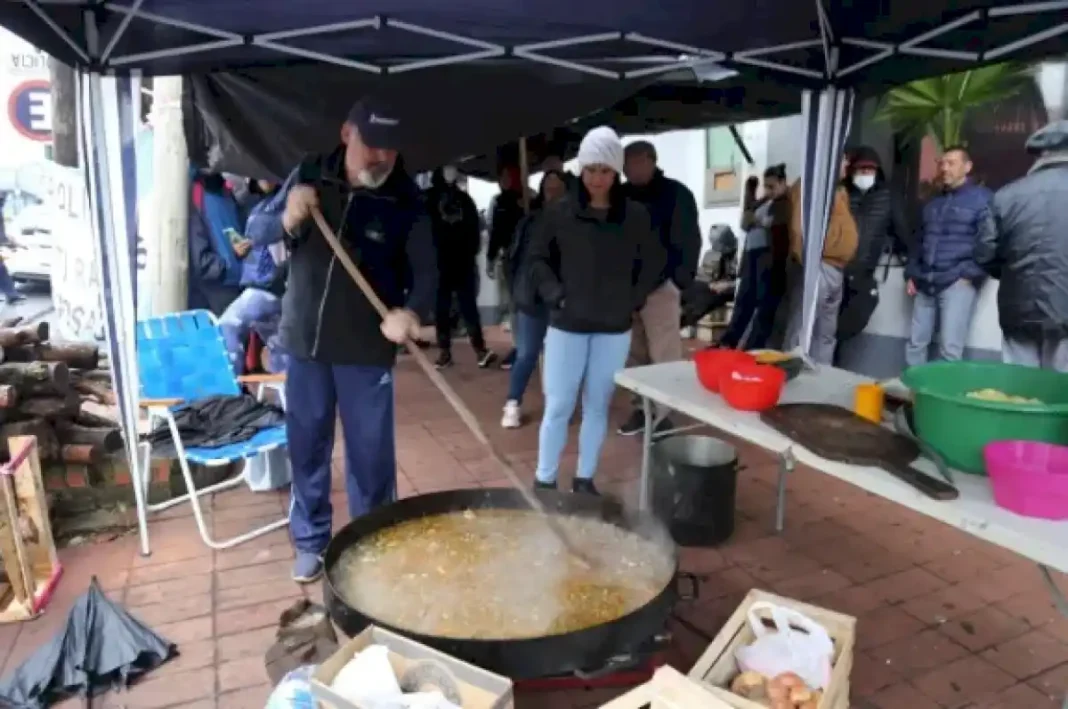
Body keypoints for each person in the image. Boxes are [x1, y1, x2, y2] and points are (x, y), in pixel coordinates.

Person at [279, 97, 436, 582]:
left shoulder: (405, 200)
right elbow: (258, 229)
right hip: (305, 342)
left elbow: (428, 272)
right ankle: (311, 541)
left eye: (390, 148)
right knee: (307, 446)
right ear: (348, 133)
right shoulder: (309, 174)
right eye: (371, 144)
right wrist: (288, 216)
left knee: (370, 455)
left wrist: (410, 312)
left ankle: (371, 541)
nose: (380, 157)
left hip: (365, 350)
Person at [529, 127, 662, 495]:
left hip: (613, 327)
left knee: (598, 405)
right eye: (591, 169)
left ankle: (585, 477)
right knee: (558, 404)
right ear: (582, 168)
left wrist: (633, 298)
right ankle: (545, 477)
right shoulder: (559, 214)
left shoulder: (634, 216)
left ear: (616, 172)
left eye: (605, 170)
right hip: (567, 325)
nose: (597, 179)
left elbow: (652, 261)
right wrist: (555, 294)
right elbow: (537, 260)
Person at [617, 140, 700, 437]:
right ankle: (641, 409)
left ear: (651, 161)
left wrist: (678, 281)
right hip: (628, 290)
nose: (630, 169)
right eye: (626, 164)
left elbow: (690, 239)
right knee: (635, 355)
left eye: (635, 162)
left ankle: (663, 415)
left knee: (664, 354)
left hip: (661, 288)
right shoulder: (621, 196)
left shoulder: (675, 194)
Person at [976, 120, 1068, 371]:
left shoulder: (1006, 195)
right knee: (1062, 396)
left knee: (1020, 392)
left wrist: (1015, 272)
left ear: (1039, 155)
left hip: (1017, 310)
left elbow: (984, 255)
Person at [904, 146, 991, 366]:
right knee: (916, 344)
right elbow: (918, 241)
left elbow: (990, 243)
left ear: (967, 167)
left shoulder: (983, 199)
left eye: (951, 163)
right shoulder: (932, 201)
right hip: (925, 281)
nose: (944, 168)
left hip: (956, 282)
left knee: (950, 349)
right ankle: (913, 397)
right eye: (942, 163)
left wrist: (969, 274)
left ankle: (943, 400)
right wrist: (911, 273)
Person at [501, 169, 568, 428]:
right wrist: (517, 290)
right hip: (531, 299)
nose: (552, 192)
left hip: (561, 299)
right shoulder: (530, 222)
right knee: (527, 352)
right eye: (548, 187)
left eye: (557, 187)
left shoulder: (575, 222)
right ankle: (512, 403)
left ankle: (556, 405)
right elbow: (514, 259)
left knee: (557, 356)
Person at [783, 155, 858, 363]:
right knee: (802, 331)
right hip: (819, 266)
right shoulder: (809, 186)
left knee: (825, 334)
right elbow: (799, 229)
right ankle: (790, 377)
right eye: (842, 160)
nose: (847, 165)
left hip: (836, 268)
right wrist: (809, 262)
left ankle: (822, 380)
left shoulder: (839, 191)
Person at [837, 147, 911, 352]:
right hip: (836, 270)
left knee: (850, 324)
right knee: (825, 328)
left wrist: (908, 257)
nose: (865, 175)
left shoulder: (889, 196)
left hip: (863, 272)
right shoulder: (840, 192)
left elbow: (902, 230)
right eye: (861, 170)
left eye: (870, 171)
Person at [427, 166, 496, 369]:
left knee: (465, 306)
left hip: (459, 261)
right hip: (442, 263)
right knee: (444, 308)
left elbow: (474, 226)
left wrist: (471, 251)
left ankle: (477, 349)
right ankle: (447, 351)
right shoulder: (431, 200)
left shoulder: (462, 200)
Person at [218, 178, 290, 374]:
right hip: (260, 281)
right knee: (280, 349)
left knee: (228, 324)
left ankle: (229, 386)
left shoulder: (284, 204)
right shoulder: (259, 206)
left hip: (268, 285)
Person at [719, 165, 791, 351]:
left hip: (769, 258)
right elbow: (745, 222)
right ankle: (729, 341)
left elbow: (774, 223)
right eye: (766, 186)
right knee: (744, 300)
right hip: (752, 255)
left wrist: (756, 221)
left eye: (772, 186)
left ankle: (753, 346)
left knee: (763, 304)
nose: (768, 190)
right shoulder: (763, 202)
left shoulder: (785, 202)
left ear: (783, 183)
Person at [188, 171, 246, 315]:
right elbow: (198, 257)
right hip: (215, 288)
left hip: (237, 284)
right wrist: (223, 267)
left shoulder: (226, 191)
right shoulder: (194, 194)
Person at [485, 164, 527, 328]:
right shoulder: (498, 201)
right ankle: (516, 326)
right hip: (509, 254)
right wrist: (490, 257)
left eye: (508, 177)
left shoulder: (524, 199)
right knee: (512, 295)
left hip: (525, 254)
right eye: (502, 178)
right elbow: (496, 232)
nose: (505, 181)